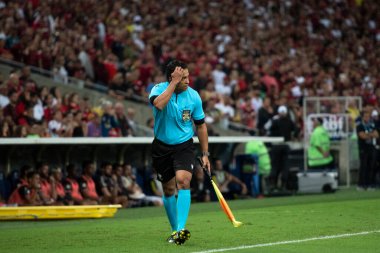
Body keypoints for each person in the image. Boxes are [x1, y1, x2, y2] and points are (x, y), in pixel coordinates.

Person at [149, 60, 210, 245]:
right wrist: (173, 84)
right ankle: (175, 230)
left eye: (188, 76)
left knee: (183, 181)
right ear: (172, 78)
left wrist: (205, 154)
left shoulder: (194, 97)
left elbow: (201, 125)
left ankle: (181, 230)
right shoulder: (158, 90)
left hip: (184, 145)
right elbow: (158, 105)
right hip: (161, 146)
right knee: (168, 190)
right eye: (183, 78)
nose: (188, 81)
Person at [356, 110, 378, 190]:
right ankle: (361, 184)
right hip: (363, 148)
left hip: (371, 147)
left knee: (371, 166)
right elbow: (362, 136)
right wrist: (370, 134)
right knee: (363, 166)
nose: (367, 118)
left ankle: (370, 184)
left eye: (368, 116)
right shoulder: (360, 125)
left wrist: (368, 134)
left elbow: (377, 135)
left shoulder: (371, 125)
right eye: (365, 116)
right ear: (362, 117)